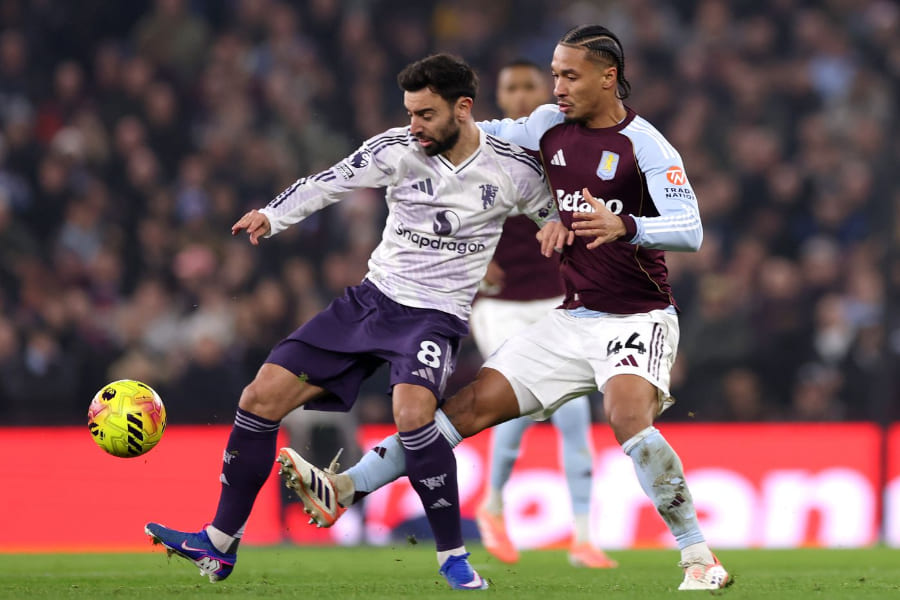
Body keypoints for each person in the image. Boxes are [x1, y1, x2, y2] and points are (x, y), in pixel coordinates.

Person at [280, 26, 731, 591]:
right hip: (571, 318)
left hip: (638, 316)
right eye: (555, 74)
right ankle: (345, 489)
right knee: (463, 410)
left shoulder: (647, 145)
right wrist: (423, 129)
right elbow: (473, 134)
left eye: (570, 75)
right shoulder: (545, 125)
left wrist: (625, 224)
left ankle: (699, 558)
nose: (557, 86)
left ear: (608, 77)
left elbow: (690, 229)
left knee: (625, 416)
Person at [144, 53, 567, 591]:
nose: (414, 126)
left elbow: (557, 217)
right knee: (259, 398)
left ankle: (453, 557)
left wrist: (558, 232)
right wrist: (273, 215)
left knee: (412, 414)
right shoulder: (396, 148)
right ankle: (220, 543)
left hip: (434, 317)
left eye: (426, 114)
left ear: (463, 108)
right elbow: (328, 182)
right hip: (370, 303)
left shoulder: (511, 168)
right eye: (410, 113)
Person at [471, 59, 616, 569]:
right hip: (499, 305)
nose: (520, 95)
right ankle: (493, 504)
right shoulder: (482, 151)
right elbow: (449, 214)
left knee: (573, 412)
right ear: (500, 96)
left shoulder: (564, 148)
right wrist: (476, 257)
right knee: (524, 399)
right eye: (510, 87)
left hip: (556, 299)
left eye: (528, 86)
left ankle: (583, 537)